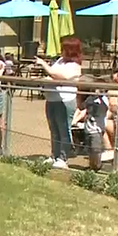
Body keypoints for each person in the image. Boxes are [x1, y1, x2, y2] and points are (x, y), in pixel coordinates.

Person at [34, 36, 83, 169]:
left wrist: (44, 64)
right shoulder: (60, 61)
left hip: (65, 101)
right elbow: (52, 75)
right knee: (54, 129)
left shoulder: (75, 65)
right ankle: (54, 155)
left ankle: (63, 158)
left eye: (63, 48)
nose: (60, 50)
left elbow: (61, 77)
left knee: (63, 130)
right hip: (52, 99)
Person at [71, 76, 109, 170]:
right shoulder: (90, 99)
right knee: (90, 150)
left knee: (96, 150)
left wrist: (97, 96)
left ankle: (97, 166)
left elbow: (101, 108)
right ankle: (92, 167)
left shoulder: (103, 100)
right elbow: (82, 107)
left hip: (97, 129)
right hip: (88, 128)